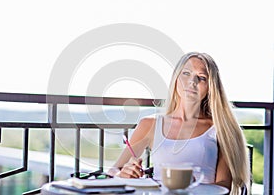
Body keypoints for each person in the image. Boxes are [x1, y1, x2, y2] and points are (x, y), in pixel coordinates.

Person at [107, 52, 250, 194]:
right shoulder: (149, 124)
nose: (192, 82)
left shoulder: (220, 129)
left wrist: (196, 187)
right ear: (176, 79)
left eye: (201, 78)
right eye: (186, 73)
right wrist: (123, 174)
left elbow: (224, 186)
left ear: (210, 87)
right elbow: (114, 170)